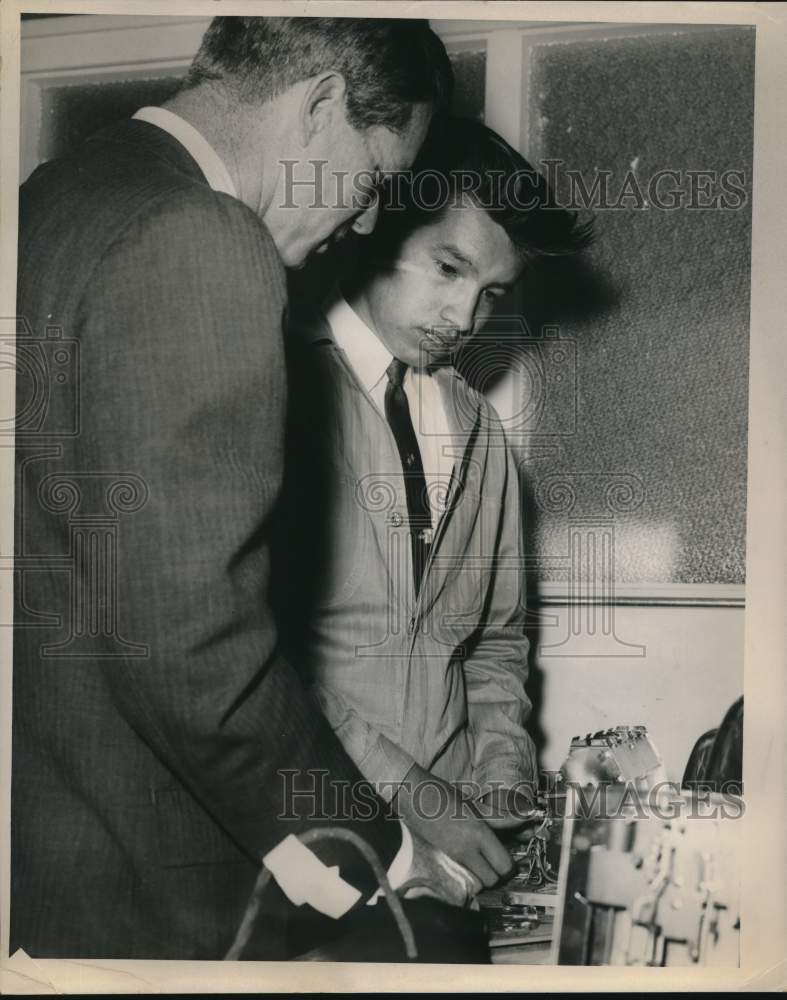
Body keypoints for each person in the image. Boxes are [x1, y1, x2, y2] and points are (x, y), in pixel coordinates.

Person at [11, 16, 477, 962]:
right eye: (376, 180)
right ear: (318, 105)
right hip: (146, 895)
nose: (369, 222)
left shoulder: (51, 197)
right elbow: (192, 640)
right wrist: (379, 851)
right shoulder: (203, 235)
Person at [280, 118, 593, 887]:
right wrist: (406, 789)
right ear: (374, 231)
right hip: (310, 824)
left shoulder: (479, 428)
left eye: (489, 293)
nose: (463, 320)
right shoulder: (278, 389)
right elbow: (252, 654)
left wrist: (500, 771)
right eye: (446, 268)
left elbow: (492, 641)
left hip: (447, 846)